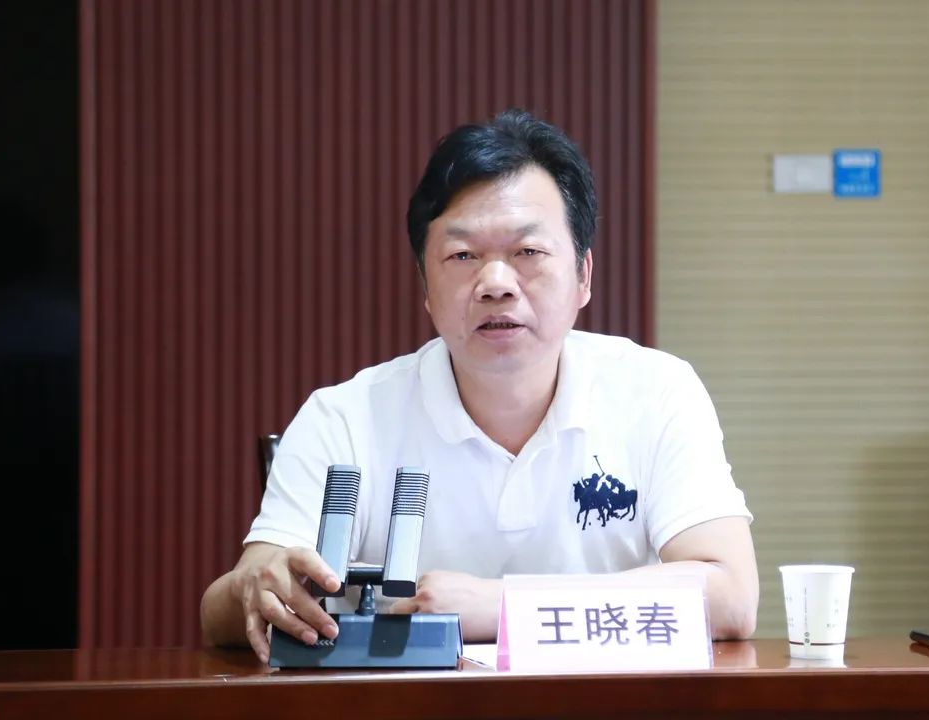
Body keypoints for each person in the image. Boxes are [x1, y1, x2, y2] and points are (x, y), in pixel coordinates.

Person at [200, 109, 758, 662]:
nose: (495, 283)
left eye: (528, 252)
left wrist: (501, 606)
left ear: (583, 275)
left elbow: (731, 596)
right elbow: (225, 610)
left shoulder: (655, 391)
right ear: (425, 287)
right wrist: (254, 584)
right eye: (463, 256)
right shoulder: (344, 417)